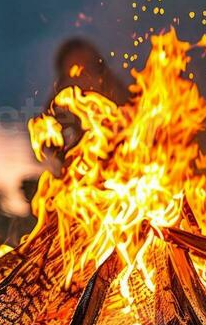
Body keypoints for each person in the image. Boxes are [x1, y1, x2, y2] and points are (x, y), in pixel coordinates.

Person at [22, 36, 131, 202]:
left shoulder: (124, 102)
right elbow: (47, 152)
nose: (81, 78)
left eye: (87, 69)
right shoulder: (59, 107)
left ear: (100, 71)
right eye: (72, 72)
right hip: (80, 193)